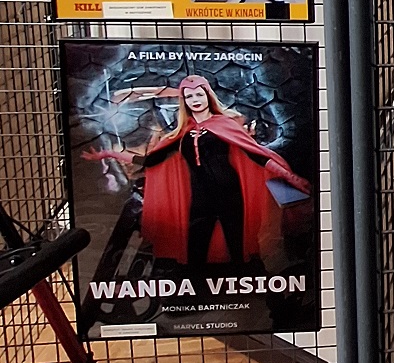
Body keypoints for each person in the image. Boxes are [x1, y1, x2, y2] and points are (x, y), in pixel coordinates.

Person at [86, 73, 310, 282]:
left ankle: (244, 289)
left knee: (237, 246)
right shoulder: (182, 133)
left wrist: (290, 177)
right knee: (195, 248)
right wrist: (109, 154)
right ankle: (194, 291)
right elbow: (150, 161)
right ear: (184, 101)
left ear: (208, 96)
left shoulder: (224, 124)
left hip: (231, 195)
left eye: (199, 94)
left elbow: (257, 155)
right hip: (200, 198)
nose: (195, 100)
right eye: (189, 96)